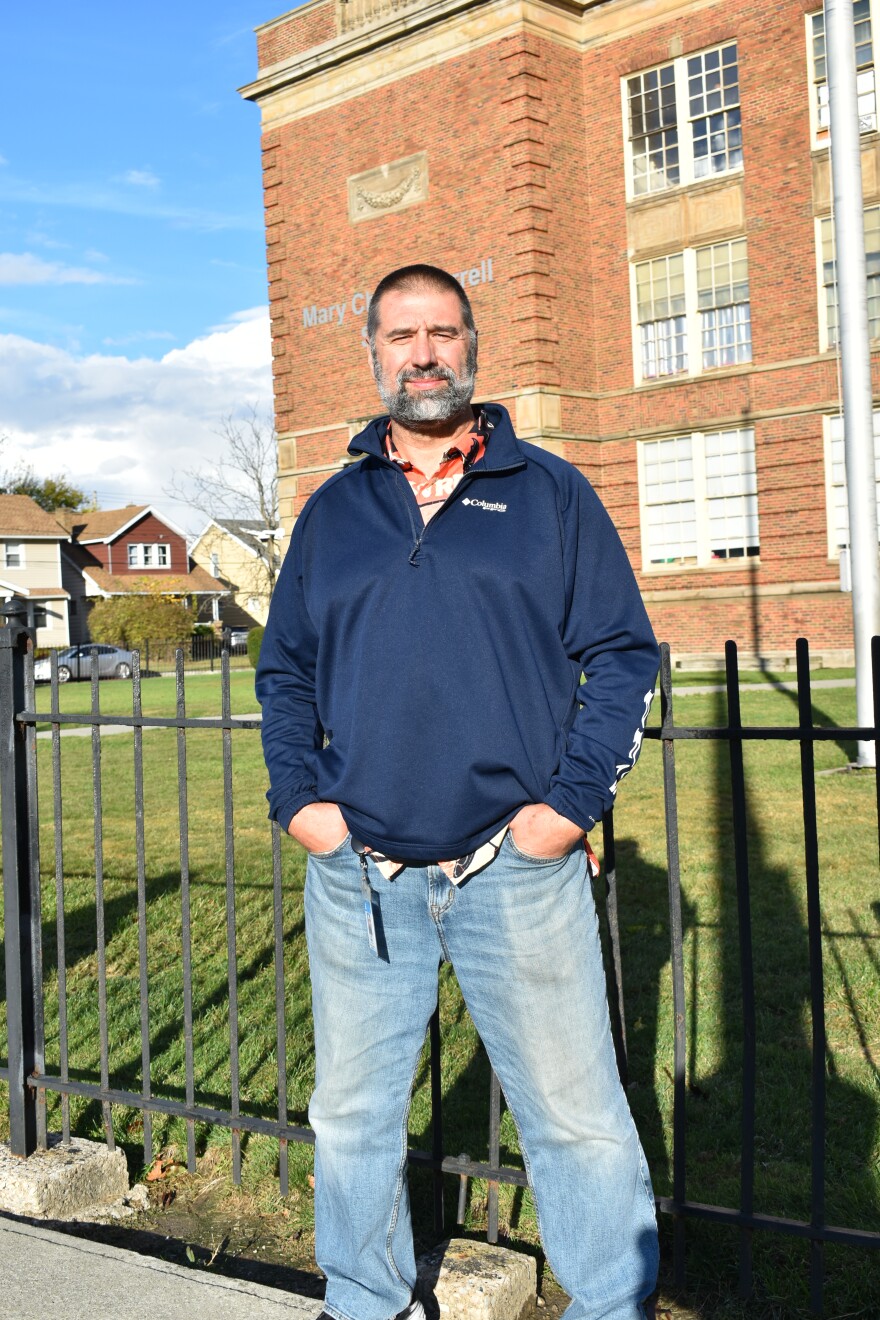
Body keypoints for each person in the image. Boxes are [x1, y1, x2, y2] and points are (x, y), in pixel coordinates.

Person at [256, 264, 660, 1320]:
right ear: (374, 355)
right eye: (401, 335)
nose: (423, 352)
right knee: (350, 1114)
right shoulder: (333, 510)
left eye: (442, 332)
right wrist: (300, 800)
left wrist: (566, 810)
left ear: (473, 348)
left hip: (509, 869)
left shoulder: (550, 493)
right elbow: (283, 668)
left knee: (573, 1117)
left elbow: (621, 654)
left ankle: (610, 1304)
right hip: (361, 876)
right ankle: (362, 1299)